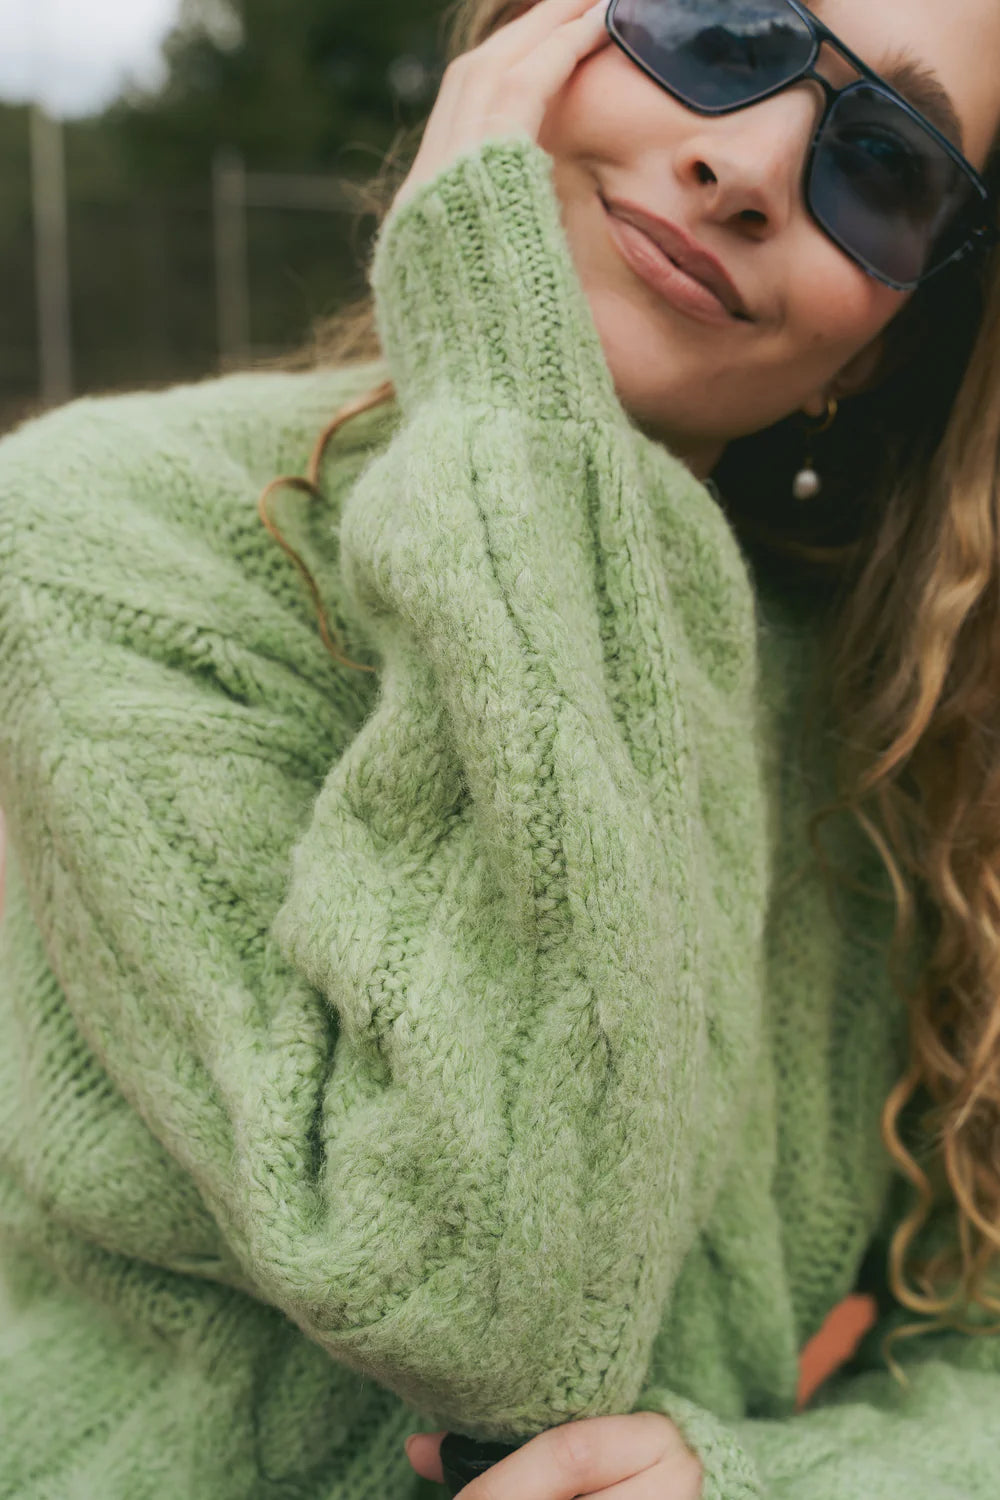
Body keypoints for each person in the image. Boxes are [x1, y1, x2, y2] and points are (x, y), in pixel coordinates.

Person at [0, 0, 998, 1495]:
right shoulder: (105, 536)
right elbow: (488, 1307)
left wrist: (774, 1485)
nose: (753, 165)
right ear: (531, 38)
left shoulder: (902, 737)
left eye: (889, 162)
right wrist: (521, 420)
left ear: (892, 329)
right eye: (719, 28)